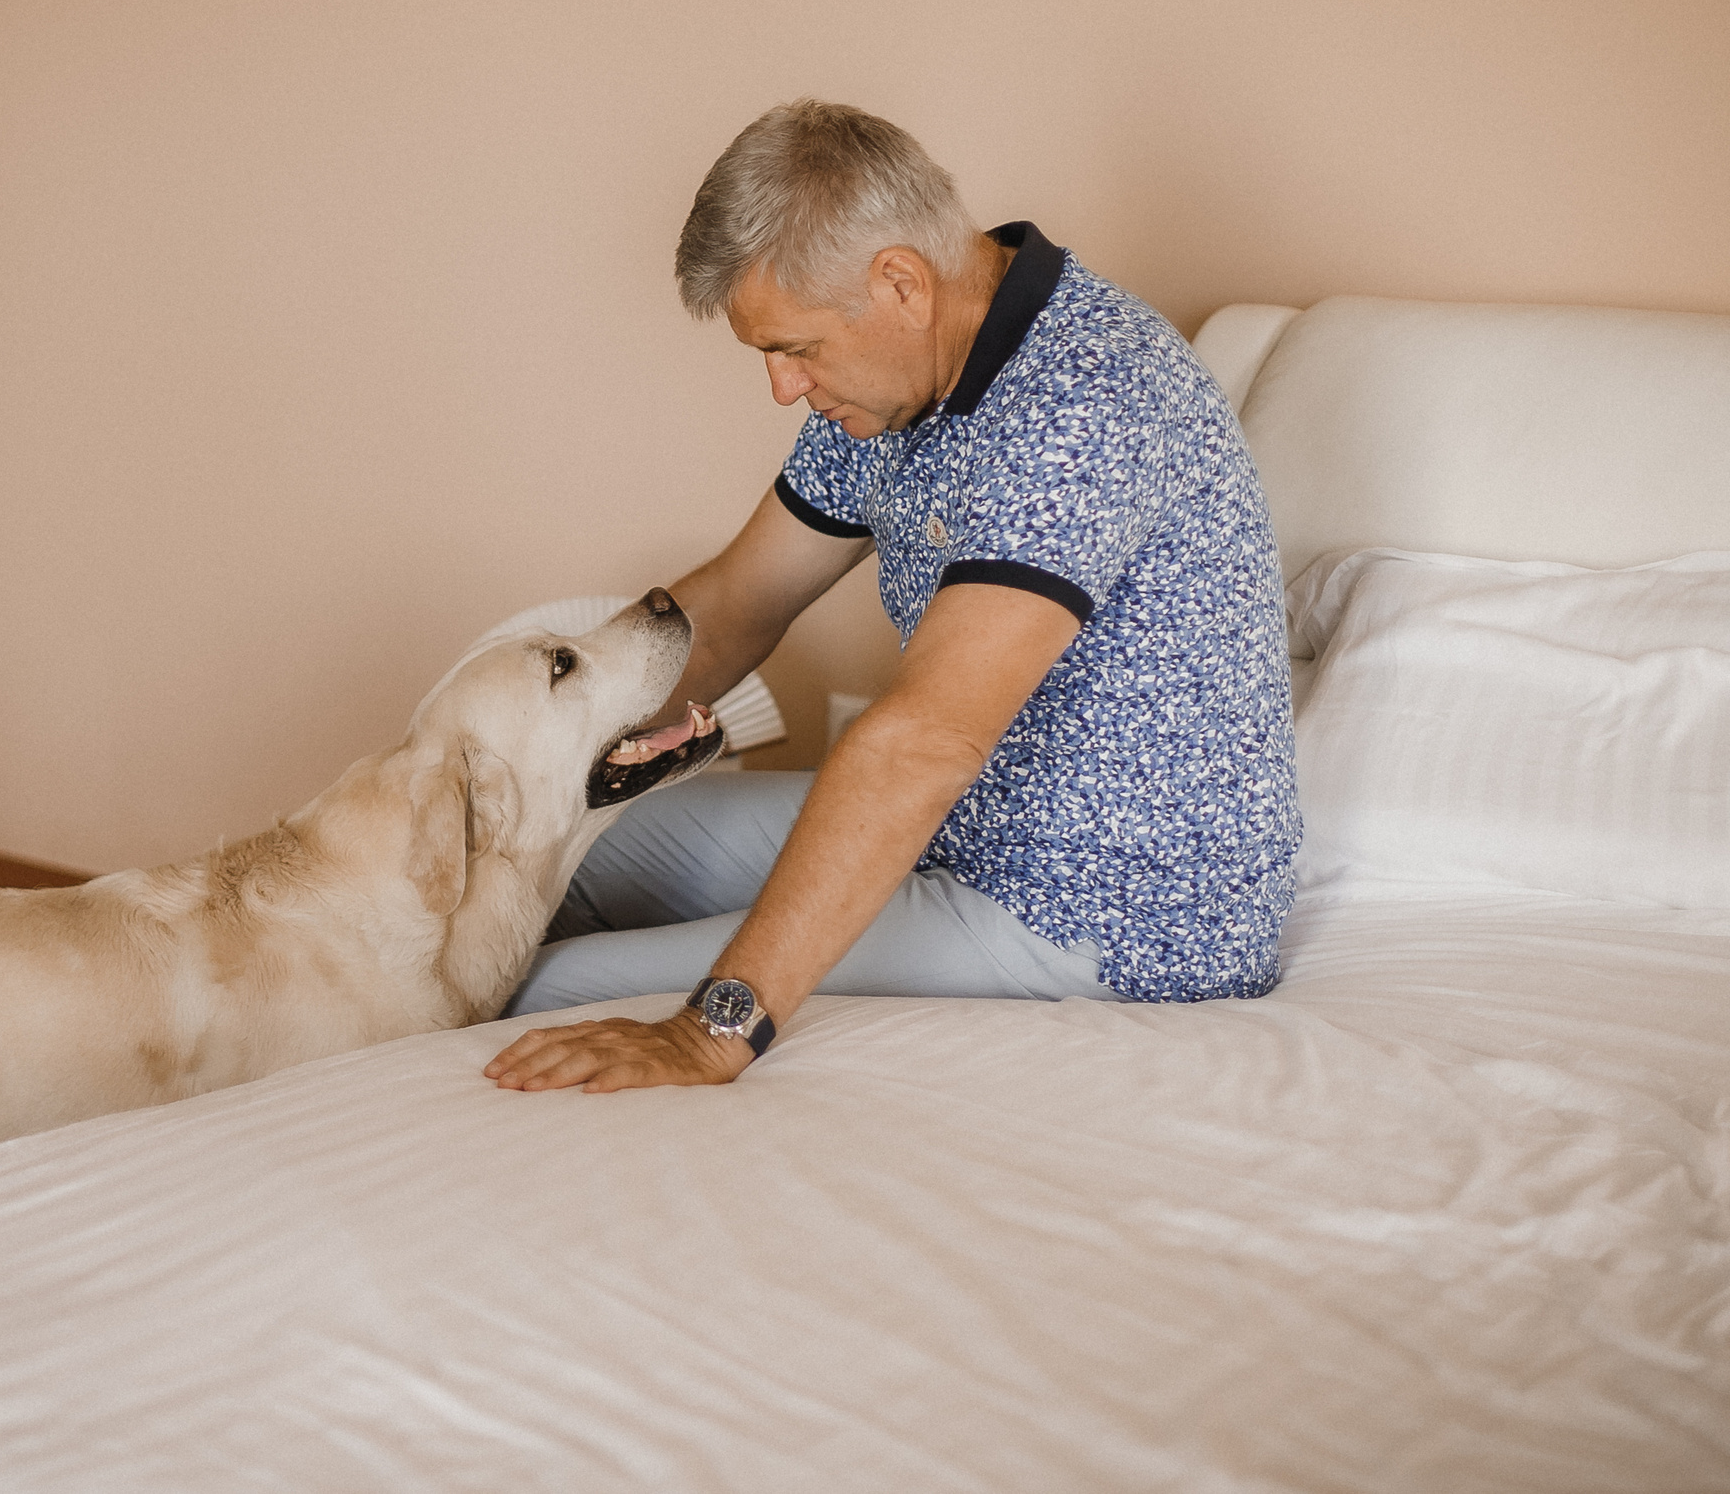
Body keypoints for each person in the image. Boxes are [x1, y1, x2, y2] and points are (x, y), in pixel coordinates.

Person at [485, 99, 1300, 1096]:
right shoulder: (886, 377)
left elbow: (922, 742)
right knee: (548, 860)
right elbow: (740, 602)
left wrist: (708, 1031)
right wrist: (514, 770)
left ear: (900, 283)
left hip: (1109, 914)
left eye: (794, 349)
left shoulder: (1082, 403)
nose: (784, 389)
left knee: (538, 984)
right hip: (963, 831)